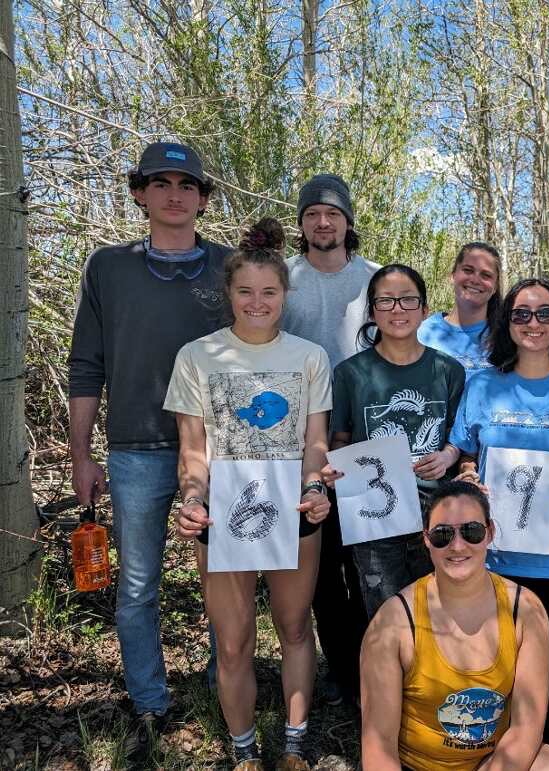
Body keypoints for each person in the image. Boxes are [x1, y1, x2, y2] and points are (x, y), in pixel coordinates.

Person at [68, 141, 227, 759]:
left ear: (202, 200)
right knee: (137, 585)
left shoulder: (228, 267)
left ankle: (226, 683)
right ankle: (149, 699)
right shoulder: (109, 267)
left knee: (223, 578)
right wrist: (82, 455)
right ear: (139, 193)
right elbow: (86, 365)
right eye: (159, 182)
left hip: (218, 451)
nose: (173, 194)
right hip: (135, 449)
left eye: (186, 184)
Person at [166, 219, 333, 771]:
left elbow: (315, 441)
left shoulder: (310, 357)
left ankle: (294, 741)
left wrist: (314, 488)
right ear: (229, 295)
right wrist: (192, 500)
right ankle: (242, 748)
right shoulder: (197, 356)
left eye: (269, 292)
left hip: (294, 513)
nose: (257, 303)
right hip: (223, 518)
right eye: (245, 292)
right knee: (233, 641)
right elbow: (193, 449)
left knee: (293, 626)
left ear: (285, 296)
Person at [450, 278, 549, 757]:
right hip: (493, 553)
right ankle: (487, 754)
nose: (532, 324)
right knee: (491, 662)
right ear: (507, 323)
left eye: (543, 314)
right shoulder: (482, 384)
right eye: (521, 314)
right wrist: (471, 478)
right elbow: (467, 456)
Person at [359, 481, 549, 771]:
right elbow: (379, 748)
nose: (458, 545)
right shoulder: (392, 624)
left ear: (490, 532)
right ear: (426, 539)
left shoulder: (525, 610)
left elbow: (526, 729)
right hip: (417, 766)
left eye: (471, 531)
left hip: (492, 764)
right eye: (442, 535)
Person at [281, 174, 378, 709]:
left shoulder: (374, 279)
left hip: (362, 444)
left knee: (365, 563)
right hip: (297, 445)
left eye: (333, 214)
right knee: (315, 571)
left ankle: (373, 671)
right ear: (302, 223)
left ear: (347, 223)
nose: (323, 222)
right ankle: (338, 673)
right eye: (313, 213)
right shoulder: (283, 279)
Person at [327, 264, 466, 617]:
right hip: (375, 513)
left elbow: (461, 442)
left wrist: (448, 457)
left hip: (438, 513)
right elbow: (340, 439)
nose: (397, 309)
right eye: (386, 301)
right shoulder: (349, 374)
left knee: (441, 611)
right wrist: (338, 468)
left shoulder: (449, 371)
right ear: (372, 311)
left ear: (424, 307)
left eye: (407, 299)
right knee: (387, 616)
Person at [417, 241, 502, 379]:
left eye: (486, 275)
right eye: (468, 270)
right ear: (452, 276)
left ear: (495, 286)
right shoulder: (421, 334)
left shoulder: (507, 336)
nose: (475, 279)